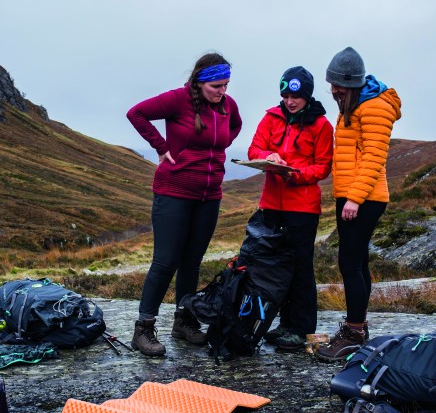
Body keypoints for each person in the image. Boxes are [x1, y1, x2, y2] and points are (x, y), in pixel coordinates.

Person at [126, 53, 242, 356]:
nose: (222, 92)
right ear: (201, 82)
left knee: (192, 261)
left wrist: (220, 146)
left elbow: (234, 129)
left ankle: (184, 321)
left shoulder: (228, 107)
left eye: (226, 85)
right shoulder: (178, 100)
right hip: (173, 192)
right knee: (166, 262)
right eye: (216, 86)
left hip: (209, 196)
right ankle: (143, 329)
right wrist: (161, 147)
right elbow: (136, 113)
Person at [316, 47, 402, 362]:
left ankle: (353, 334)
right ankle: (358, 327)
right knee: (357, 262)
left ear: (350, 83)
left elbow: (374, 157)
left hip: (363, 198)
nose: (333, 91)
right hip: (353, 195)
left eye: (337, 85)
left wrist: (354, 197)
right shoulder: (354, 105)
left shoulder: (375, 107)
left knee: (350, 263)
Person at [247, 66, 333, 352]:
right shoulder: (271, 117)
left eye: (295, 95)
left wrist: (295, 174)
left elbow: (322, 166)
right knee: (274, 268)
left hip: (303, 208)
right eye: (285, 94)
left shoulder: (321, 125)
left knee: (300, 269)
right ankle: (284, 324)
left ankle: (301, 328)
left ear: (306, 95)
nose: (289, 100)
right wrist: (267, 157)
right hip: (271, 204)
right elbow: (254, 149)